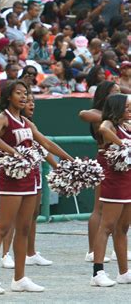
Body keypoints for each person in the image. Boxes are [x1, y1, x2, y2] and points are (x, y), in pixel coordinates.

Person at [0, 80, 73, 294]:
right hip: (12, 179)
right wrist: (12, 152)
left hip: (30, 178)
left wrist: (69, 160)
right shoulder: (3, 118)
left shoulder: (26, 122)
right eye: (18, 93)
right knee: (2, 227)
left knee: (24, 228)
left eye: (26, 93)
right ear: (8, 96)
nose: (23, 97)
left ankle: (19, 278)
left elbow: (46, 144)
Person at [0, 92, 55, 269]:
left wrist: (59, 166)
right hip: (16, 174)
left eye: (33, 101)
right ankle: (6, 253)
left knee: (32, 215)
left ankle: (30, 252)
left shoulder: (30, 125)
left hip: (33, 173)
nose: (31, 104)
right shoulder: (7, 121)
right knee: (13, 217)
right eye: (27, 101)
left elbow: (44, 148)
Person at [90, 93, 131, 287]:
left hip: (128, 183)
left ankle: (124, 272)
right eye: (127, 106)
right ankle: (97, 273)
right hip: (114, 184)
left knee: (122, 228)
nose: (130, 109)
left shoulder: (126, 126)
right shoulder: (110, 125)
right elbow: (102, 128)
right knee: (106, 226)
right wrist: (123, 144)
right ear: (117, 108)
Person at [79, 80, 121, 263]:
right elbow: (83, 114)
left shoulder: (120, 116)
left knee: (120, 207)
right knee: (100, 208)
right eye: (114, 92)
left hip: (121, 162)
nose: (118, 95)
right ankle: (91, 250)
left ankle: (118, 248)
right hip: (105, 160)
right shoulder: (100, 115)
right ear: (105, 95)